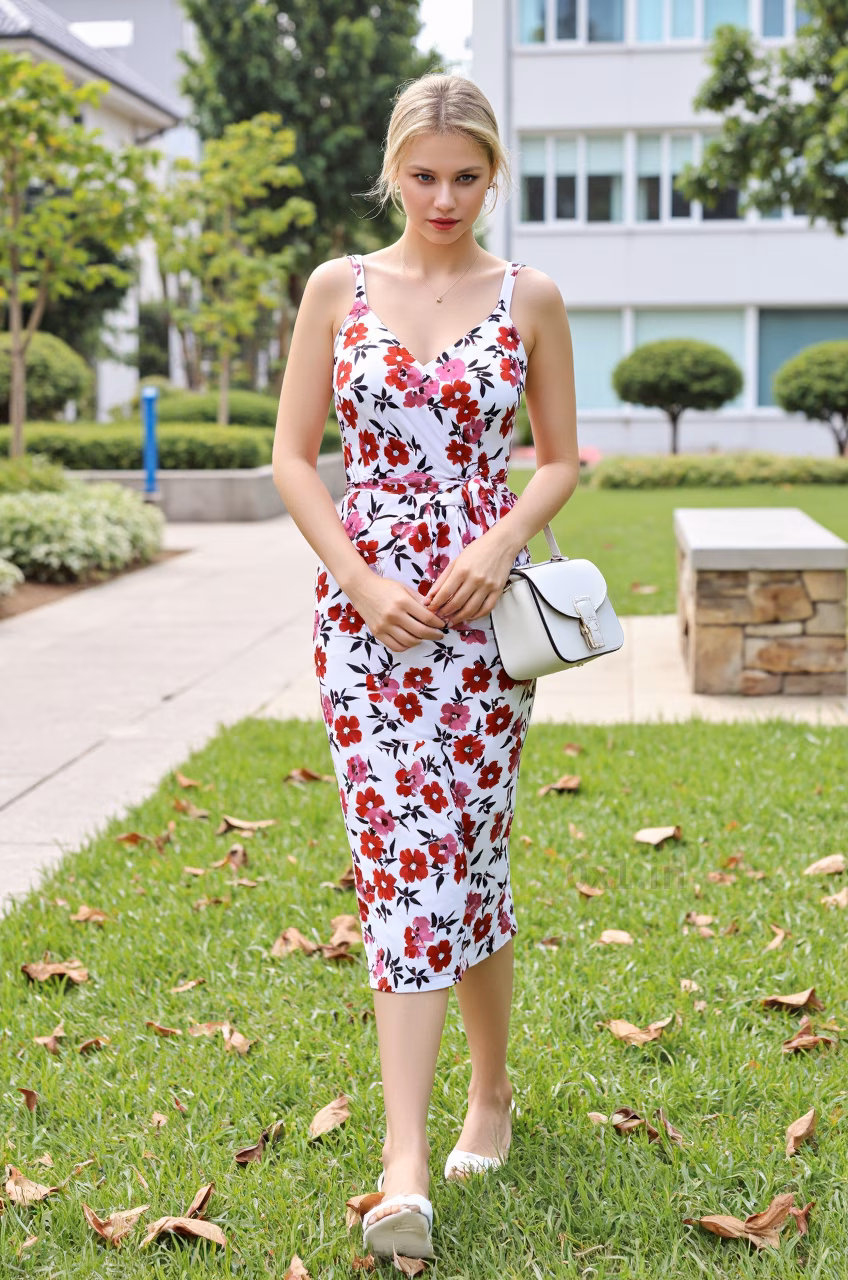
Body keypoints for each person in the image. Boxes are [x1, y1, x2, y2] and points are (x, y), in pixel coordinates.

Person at [273, 71, 578, 1260]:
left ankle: (490, 1091)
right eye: (422, 173)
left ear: (491, 173)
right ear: (391, 170)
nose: (442, 196)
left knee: (469, 852)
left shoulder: (531, 295)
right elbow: (296, 457)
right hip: (366, 618)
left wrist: (500, 541)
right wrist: (359, 578)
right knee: (401, 863)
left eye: (465, 175)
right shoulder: (334, 289)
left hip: (482, 622)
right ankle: (403, 1160)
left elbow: (556, 458)